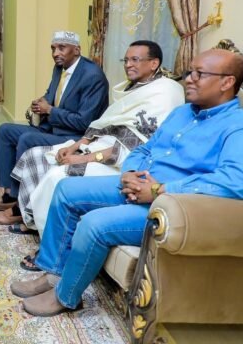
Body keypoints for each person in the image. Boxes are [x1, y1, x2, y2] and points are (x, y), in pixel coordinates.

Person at [10, 49, 243, 317]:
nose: (189, 78)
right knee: (65, 190)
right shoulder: (181, 113)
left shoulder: (236, 126)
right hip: (137, 183)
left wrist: (159, 190)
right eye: (190, 72)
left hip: (169, 206)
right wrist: (129, 172)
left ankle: (66, 296)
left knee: (93, 225)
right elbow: (145, 148)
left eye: (199, 74)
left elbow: (234, 181)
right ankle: (53, 274)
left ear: (227, 82)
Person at [12, 41, 184, 240]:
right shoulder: (133, 88)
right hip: (99, 146)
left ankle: (52, 239)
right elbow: (105, 124)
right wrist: (77, 146)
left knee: (57, 175)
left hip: (122, 163)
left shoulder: (165, 93)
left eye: (135, 60)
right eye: (126, 60)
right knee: (34, 155)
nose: (128, 65)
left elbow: (136, 146)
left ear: (154, 63)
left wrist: (81, 158)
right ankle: (32, 220)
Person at [0, 31, 110, 225]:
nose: (55, 53)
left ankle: (20, 207)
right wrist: (41, 103)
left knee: (27, 139)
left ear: (77, 50)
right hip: (53, 127)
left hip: (75, 137)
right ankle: (9, 195)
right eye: (53, 48)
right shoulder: (60, 67)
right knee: (5, 131)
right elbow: (53, 94)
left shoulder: (93, 76)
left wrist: (50, 110)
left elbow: (85, 122)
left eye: (61, 48)